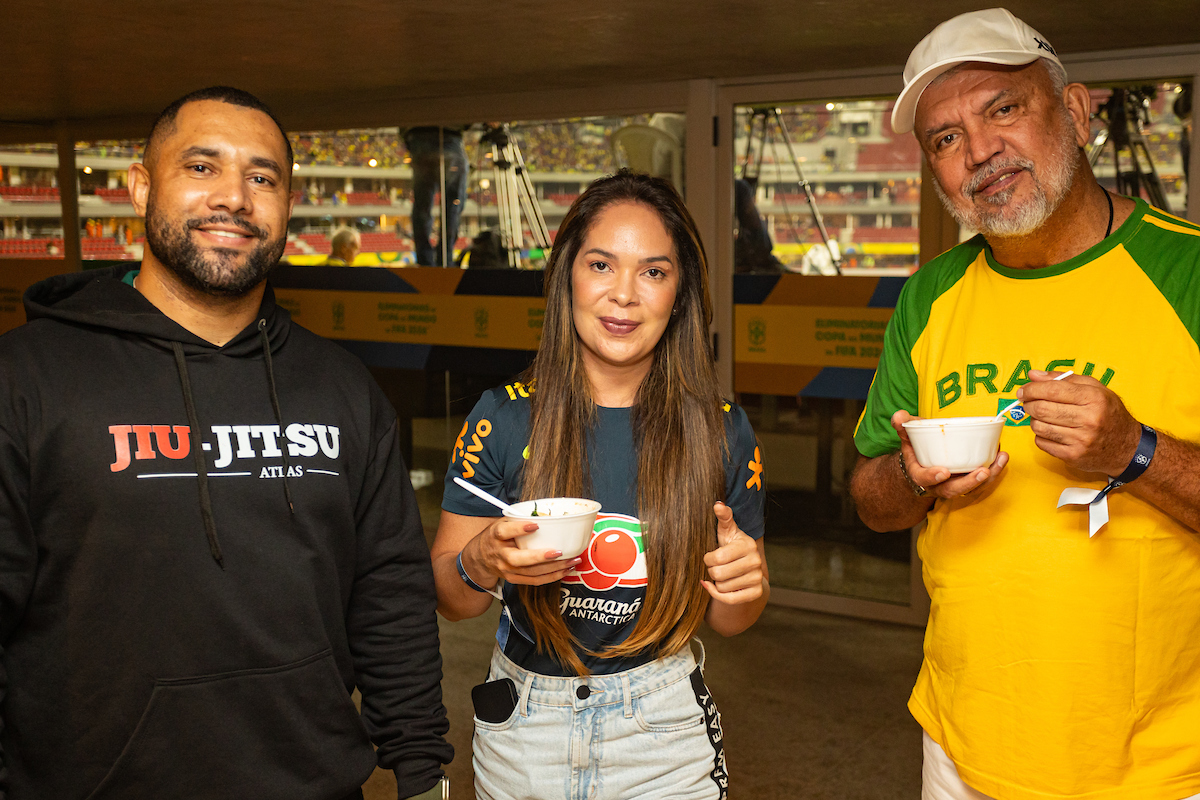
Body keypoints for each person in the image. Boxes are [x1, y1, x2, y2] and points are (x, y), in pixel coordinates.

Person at [0, 86, 452, 800]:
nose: (235, 199)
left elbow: (390, 594)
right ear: (141, 186)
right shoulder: (27, 379)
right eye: (202, 168)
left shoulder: (343, 389)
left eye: (262, 177)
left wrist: (420, 769)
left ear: (288, 204)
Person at [849, 9, 1200, 800]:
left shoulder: (1189, 273)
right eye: (944, 138)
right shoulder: (929, 298)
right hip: (964, 749)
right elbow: (872, 500)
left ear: (1075, 114)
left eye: (1003, 109)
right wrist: (912, 480)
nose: (978, 152)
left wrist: (1135, 453)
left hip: (1164, 766)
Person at [432, 170, 768, 800]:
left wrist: (748, 587)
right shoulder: (501, 417)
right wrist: (479, 560)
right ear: (567, 277)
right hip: (523, 728)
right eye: (601, 265)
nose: (624, 296)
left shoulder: (724, 431)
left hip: (663, 731)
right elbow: (454, 598)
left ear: (679, 293)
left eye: (654, 272)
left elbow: (732, 619)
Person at [403, 126, 468, 266]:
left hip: (417, 138)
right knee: (453, 204)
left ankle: (425, 261)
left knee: (422, 205)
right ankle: (445, 259)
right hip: (449, 136)